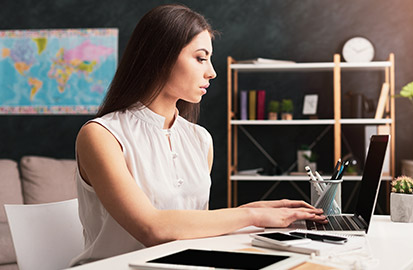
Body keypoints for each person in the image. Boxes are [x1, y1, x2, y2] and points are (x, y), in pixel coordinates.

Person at [70, 4, 326, 265]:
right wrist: (252, 216)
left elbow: (192, 230)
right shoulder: (101, 136)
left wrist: (248, 211)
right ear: (161, 57)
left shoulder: (200, 139)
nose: (211, 72)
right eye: (201, 58)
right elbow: (152, 228)